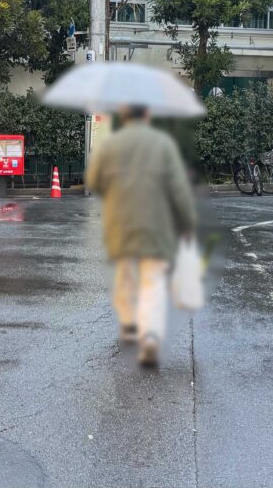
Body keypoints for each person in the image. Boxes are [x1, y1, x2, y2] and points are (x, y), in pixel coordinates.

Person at [87, 104, 197, 368]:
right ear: (147, 115)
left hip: (120, 224)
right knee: (152, 281)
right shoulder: (162, 144)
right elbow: (179, 189)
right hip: (155, 225)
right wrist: (186, 222)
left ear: (124, 117)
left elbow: (93, 181)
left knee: (125, 274)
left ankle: (128, 324)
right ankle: (149, 339)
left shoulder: (111, 145)